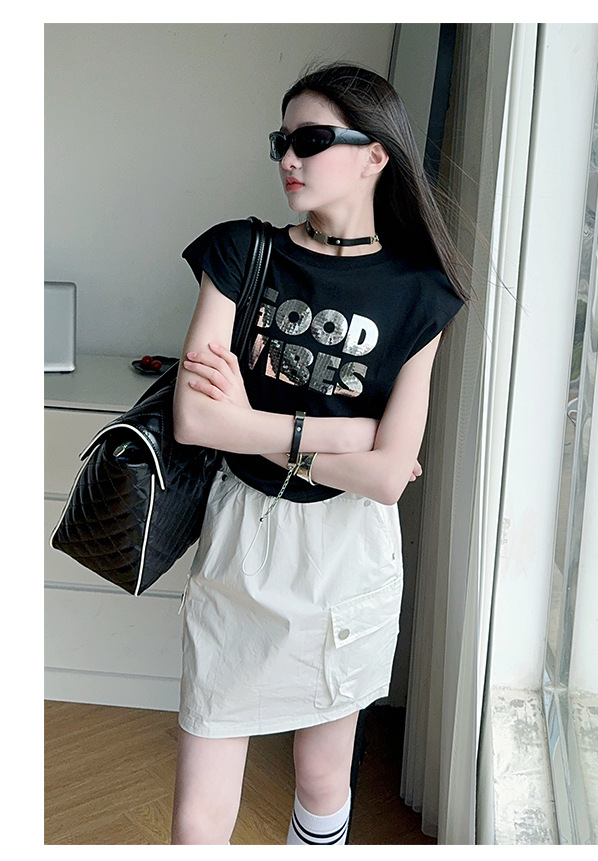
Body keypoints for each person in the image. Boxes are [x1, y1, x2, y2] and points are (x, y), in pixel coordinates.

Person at [169, 62, 468, 845]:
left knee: (323, 779)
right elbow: (196, 420)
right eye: (283, 142)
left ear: (375, 154)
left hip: (347, 553)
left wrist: (255, 425)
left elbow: (387, 478)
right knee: (198, 815)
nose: (289, 159)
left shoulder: (420, 292)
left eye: (310, 140)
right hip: (243, 540)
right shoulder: (240, 253)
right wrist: (336, 435)